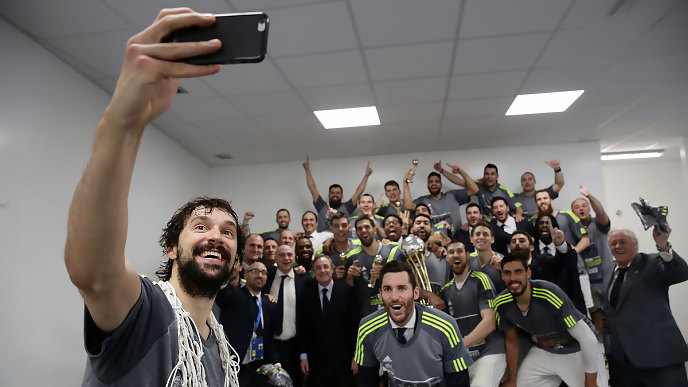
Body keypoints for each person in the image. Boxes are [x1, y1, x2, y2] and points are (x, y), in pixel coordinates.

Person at [64, 9, 241, 386]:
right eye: (200, 226)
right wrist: (123, 123)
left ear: (236, 260)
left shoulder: (216, 334)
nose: (216, 236)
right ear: (172, 249)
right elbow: (92, 270)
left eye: (228, 232)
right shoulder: (145, 311)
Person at [496, 254, 607, 387]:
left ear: (528, 273)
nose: (513, 278)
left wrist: (590, 381)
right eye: (507, 273)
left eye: (518, 272)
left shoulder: (548, 292)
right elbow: (511, 340)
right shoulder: (501, 303)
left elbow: (587, 338)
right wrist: (513, 378)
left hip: (578, 347)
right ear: (502, 275)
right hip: (546, 349)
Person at [355, 261, 472, 386]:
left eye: (402, 288)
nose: (394, 297)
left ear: (415, 293)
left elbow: (459, 382)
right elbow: (366, 381)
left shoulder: (445, 326)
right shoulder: (368, 328)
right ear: (381, 294)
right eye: (387, 289)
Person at [602, 226, 688, 386]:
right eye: (613, 243)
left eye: (623, 242)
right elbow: (608, 313)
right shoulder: (607, 270)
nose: (618, 246)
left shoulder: (652, 262)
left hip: (659, 359)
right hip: (621, 364)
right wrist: (608, 345)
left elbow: (680, 273)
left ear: (635, 245)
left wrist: (663, 245)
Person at [441, 241, 506, 387]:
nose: (455, 255)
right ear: (447, 258)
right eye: (451, 252)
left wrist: (461, 345)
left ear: (467, 255)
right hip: (464, 359)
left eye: (459, 251)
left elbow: (489, 323)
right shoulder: (445, 291)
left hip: (489, 352)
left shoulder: (481, 280)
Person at [298, 255, 359, 387]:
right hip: (316, 361)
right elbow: (302, 327)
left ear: (332, 269)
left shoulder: (347, 292)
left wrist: (356, 355)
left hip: (343, 360)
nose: (323, 270)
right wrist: (303, 356)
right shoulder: (306, 295)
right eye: (318, 268)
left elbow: (355, 326)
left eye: (326, 267)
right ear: (313, 272)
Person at [216, 261, 279, 387]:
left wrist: (275, 363)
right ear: (245, 275)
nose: (259, 275)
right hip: (235, 368)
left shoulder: (268, 304)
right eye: (255, 271)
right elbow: (221, 293)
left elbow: (269, 338)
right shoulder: (234, 294)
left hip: (259, 370)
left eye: (263, 272)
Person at [571, 185, 613, 336]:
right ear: (573, 212)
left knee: (614, 313)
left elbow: (601, 212)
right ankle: (603, 352)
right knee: (596, 315)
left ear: (589, 208)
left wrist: (589, 196)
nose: (581, 209)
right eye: (576, 207)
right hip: (588, 280)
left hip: (607, 277)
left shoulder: (599, 224)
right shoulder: (572, 229)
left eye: (584, 206)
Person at [264, 245, 309, 386]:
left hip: (294, 348)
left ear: (295, 258)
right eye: (282, 255)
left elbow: (307, 320)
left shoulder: (304, 280)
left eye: (289, 255)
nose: (286, 258)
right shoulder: (266, 277)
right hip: (269, 347)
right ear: (275, 258)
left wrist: (304, 353)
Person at [345, 216, 403, 317]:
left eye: (367, 227)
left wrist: (386, 273)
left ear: (375, 230)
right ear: (357, 233)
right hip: (368, 315)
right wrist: (349, 277)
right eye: (359, 228)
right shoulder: (351, 257)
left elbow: (406, 279)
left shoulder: (393, 249)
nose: (363, 230)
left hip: (394, 312)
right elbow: (351, 285)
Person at [402, 162, 479, 233]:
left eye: (437, 181)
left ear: (441, 185)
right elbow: (409, 205)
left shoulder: (452, 196)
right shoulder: (423, 201)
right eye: (431, 182)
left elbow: (474, 190)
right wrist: (406, 183)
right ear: (427, 185)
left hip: (456, 242)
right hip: (433, 242)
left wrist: (461, 172)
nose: (434, 184)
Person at [303, 156, 372, 232]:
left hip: (340, 238)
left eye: (338, 193)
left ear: (342, 196)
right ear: (329, 195)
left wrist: (366, 176)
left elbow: (359, 192)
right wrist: (307, 170)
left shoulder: (347, 207)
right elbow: (312, 188)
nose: (335, 195)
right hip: (322, 240)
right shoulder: (321, 205)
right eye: (332, 193)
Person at [468, 220, 506, 293]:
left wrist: (504, 270)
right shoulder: (469, 261)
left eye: (485, 234)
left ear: (492, 239)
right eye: (477, 234)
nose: (481, 237)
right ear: (472, 239)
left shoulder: (502, 261)